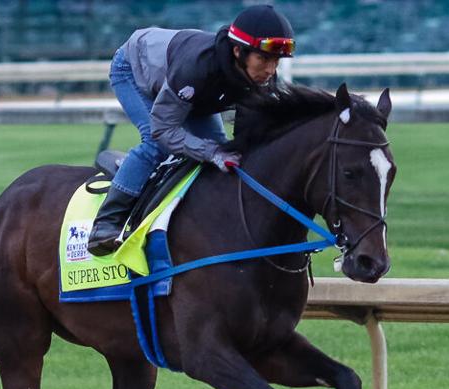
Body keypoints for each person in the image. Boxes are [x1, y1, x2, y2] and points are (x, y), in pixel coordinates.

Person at [86, 4, 296, 256]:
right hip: (133, 69)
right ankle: (106, 223)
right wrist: (210, 151)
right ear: (238, 51)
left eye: (276, 60)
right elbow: (163, 129)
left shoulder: (258, 75)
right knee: (159, 146)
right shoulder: (196, 68)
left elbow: (247, 136)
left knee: (221, 150)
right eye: (263, 59)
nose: (271, 70)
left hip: (190, 88)